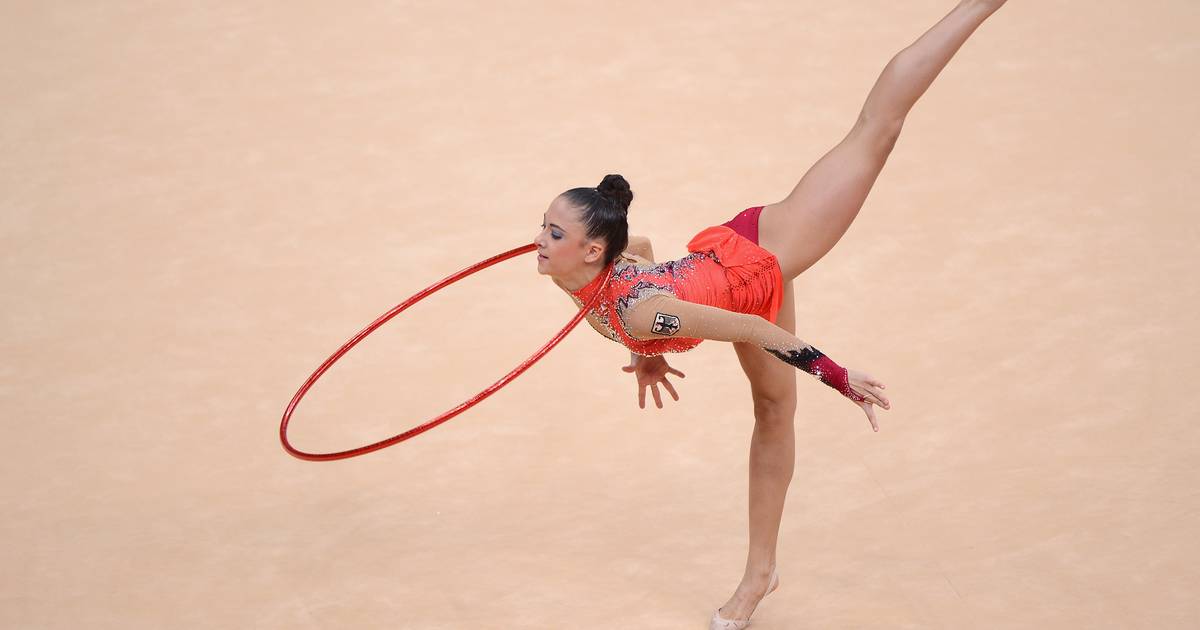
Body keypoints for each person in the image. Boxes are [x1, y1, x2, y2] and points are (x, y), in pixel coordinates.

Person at [532, 1, 1008, 626]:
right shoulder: (586, 274)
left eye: (552, 233)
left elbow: (754, 328)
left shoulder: (641, 308)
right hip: (729, 272)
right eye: (542, 228)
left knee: (877, 129)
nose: (538, 242)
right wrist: (642, 356)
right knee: (772, 409)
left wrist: (836, 374)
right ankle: (763, 574)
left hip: (771, 250)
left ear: (592, 250)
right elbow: (641, 250)